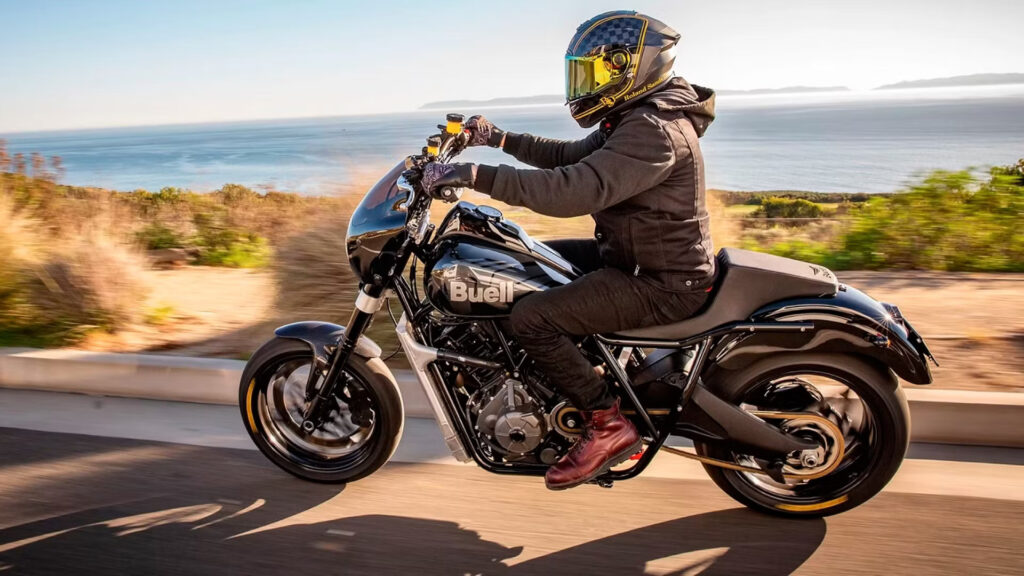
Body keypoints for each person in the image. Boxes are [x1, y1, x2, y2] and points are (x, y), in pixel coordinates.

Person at [421, 10, 717, 490]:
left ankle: (607, 423)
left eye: (594, 72)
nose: (584, 83)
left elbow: (575, 189)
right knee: (524, 258)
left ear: (629, 66)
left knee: (533, 318)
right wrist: (496, 139)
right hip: (634, 256)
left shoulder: (653, 129)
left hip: (660, 280)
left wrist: (477, 177)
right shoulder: (638, 116)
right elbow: (567, 157)